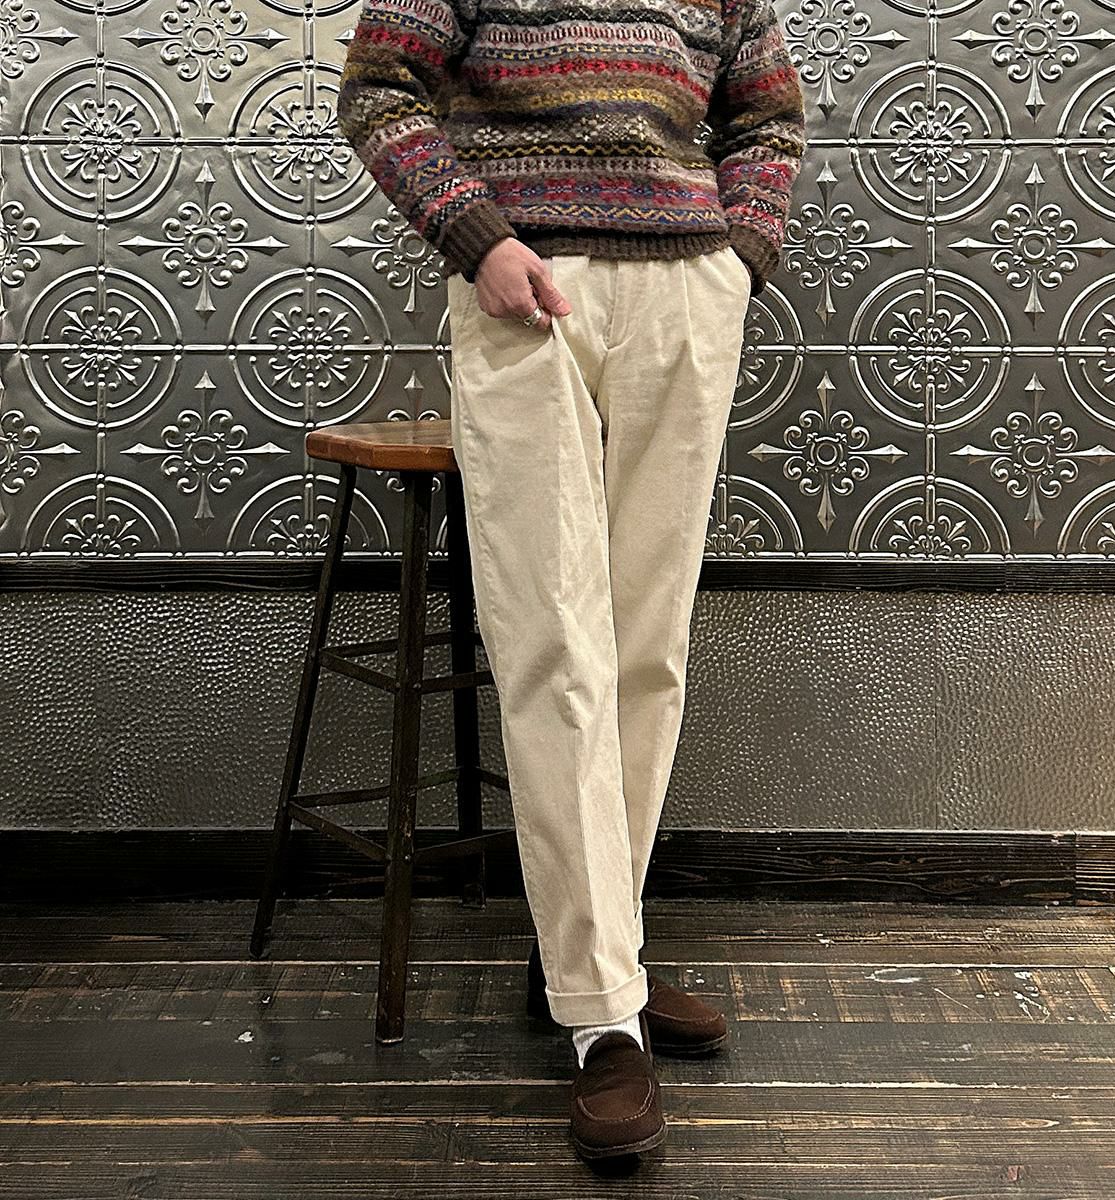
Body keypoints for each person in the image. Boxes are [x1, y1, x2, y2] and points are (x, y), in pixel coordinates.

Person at [337, 0, 806, 1160]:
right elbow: (381, 90)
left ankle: (597, 958)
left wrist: (739, 259)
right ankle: (604, 1020)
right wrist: (478, 238)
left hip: (686, 296)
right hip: (525, 290)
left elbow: (767, 116)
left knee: (648, 651)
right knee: (554, 646)